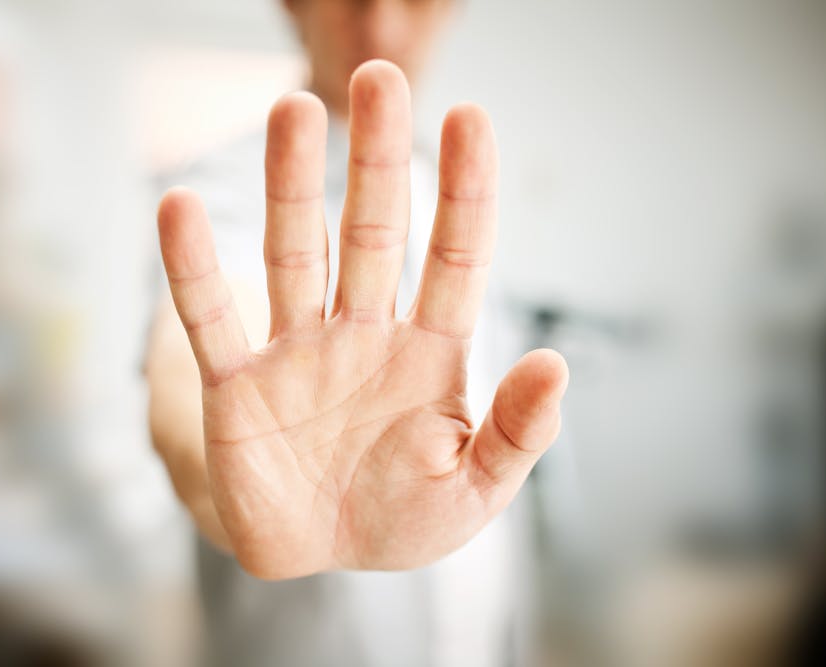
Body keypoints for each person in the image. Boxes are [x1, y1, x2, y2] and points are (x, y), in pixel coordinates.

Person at [145, 1, 569, 665]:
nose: (383, 26)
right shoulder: (231, 189)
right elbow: (186, 366)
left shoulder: (454, 190)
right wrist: (236, 483)